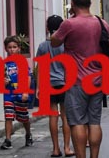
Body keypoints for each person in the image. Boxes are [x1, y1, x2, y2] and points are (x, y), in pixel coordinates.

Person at [50, 0, 104, 158]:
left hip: (76, 81)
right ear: (90, 3)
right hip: (98, 79)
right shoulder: (101, 23)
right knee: (94, 122)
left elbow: (54, 41)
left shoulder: (69, 24)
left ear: (72, 4)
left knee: (77, 122)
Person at [36, 15, 75, 157]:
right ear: (61, 27)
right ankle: (67, 148)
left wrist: (38, 87)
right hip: (64, 84)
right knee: (65, 117)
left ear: (47, 28)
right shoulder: (65, 46)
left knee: (53, 116)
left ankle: (55, 149)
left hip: (48, 85)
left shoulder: (42, 46)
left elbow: (39, 68)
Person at [1, 36, 33, 150]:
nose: (12, 50)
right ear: (6, 49)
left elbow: (28, 77)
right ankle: (8, 139)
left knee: (23, 117)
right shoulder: (4, 64)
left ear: (19, 48)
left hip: (20, 93)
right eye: (9, 47)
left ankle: (28, 134)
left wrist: (25, 92)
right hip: (8, 94)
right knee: (8, 116)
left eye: (14, 47)